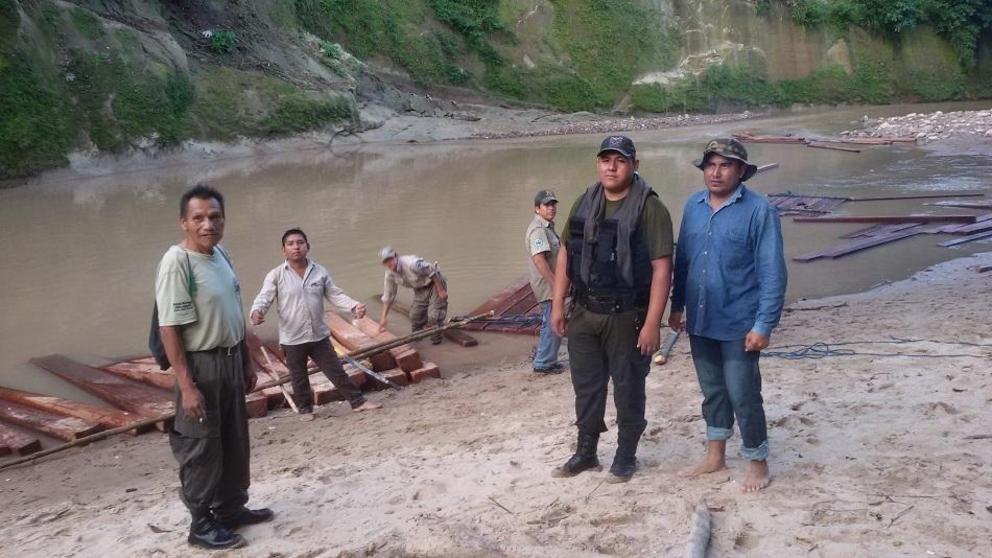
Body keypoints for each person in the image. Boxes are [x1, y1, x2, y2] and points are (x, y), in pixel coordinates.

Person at [550, 135, 674, 483]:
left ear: (635, 164)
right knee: (587, 387)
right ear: (598, 164)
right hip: (584, 312)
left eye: (620, 160)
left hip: (627, 316)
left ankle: (625, 456)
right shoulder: (584, 202)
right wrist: (557, 305)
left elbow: (663, 268)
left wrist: (653, 324)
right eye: (605, 159)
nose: (611, 166)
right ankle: (586, 452)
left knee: (628, 386)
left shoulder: (650, 208)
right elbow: (564, 254)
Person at [155, 184, 273, 550]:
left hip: (230, 359)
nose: (209, 224)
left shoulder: (222, 253)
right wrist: (187, 386)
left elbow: (232, 312)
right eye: (199, 218)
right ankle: (200, 524)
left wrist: (247, 360)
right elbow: (169, 327)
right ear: (184, 223)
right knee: (201, 447)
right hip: (201, 366)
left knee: (234, 440)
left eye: (215, 217)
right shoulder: (177, 261)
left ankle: (231, 509)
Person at [668, 138, 787, 492]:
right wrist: (677, 305)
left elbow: (772, 272)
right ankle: (715, 456)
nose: (715, 172)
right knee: (713, 391)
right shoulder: (693, 206)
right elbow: (683, 260)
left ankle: (757, 461)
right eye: (710, 165)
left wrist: (764, 324)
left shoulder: (759, 211)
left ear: (741, 172)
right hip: (701, 320)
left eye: (724, 165)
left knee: (743, 393)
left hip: (740, 322)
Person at [250, 229, 382, 420]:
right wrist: (257, 312)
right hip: (292, 337)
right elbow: (264, 298)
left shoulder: (319, 271)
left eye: (300, 242)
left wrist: (353, 306)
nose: (296, 247)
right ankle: (306, 410)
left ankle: (358, 402)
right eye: (291, 243)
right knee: (299, 376)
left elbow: (335, 295)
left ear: (307, 247)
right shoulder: (276, 275)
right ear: (283, 250)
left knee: (336, 370)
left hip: (318, 334)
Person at [526, 189, 565, 374]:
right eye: (546, 205)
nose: (551, 208)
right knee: (551, 320)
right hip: (547, 286)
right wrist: (557, 285)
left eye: (553, 204)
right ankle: (543, 363)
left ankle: (548, 359)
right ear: (537, 209)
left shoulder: (547, 228)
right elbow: (539, 260)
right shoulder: (538, 230)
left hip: (551, 285)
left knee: (553, 319)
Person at [378, 247, 448, 344]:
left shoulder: (411, 263)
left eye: (390, 259)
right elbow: (388, 295)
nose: (389, 263)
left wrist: (440, 290)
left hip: (435, 282)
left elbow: (431, 271)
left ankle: (436, 340)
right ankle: (418, 338)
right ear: (383, 264)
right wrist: (383, 318)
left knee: (434, 315)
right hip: (420, 287)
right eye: (386, 261)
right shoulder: (390, 275)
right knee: (415, 315)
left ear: (396, 257)